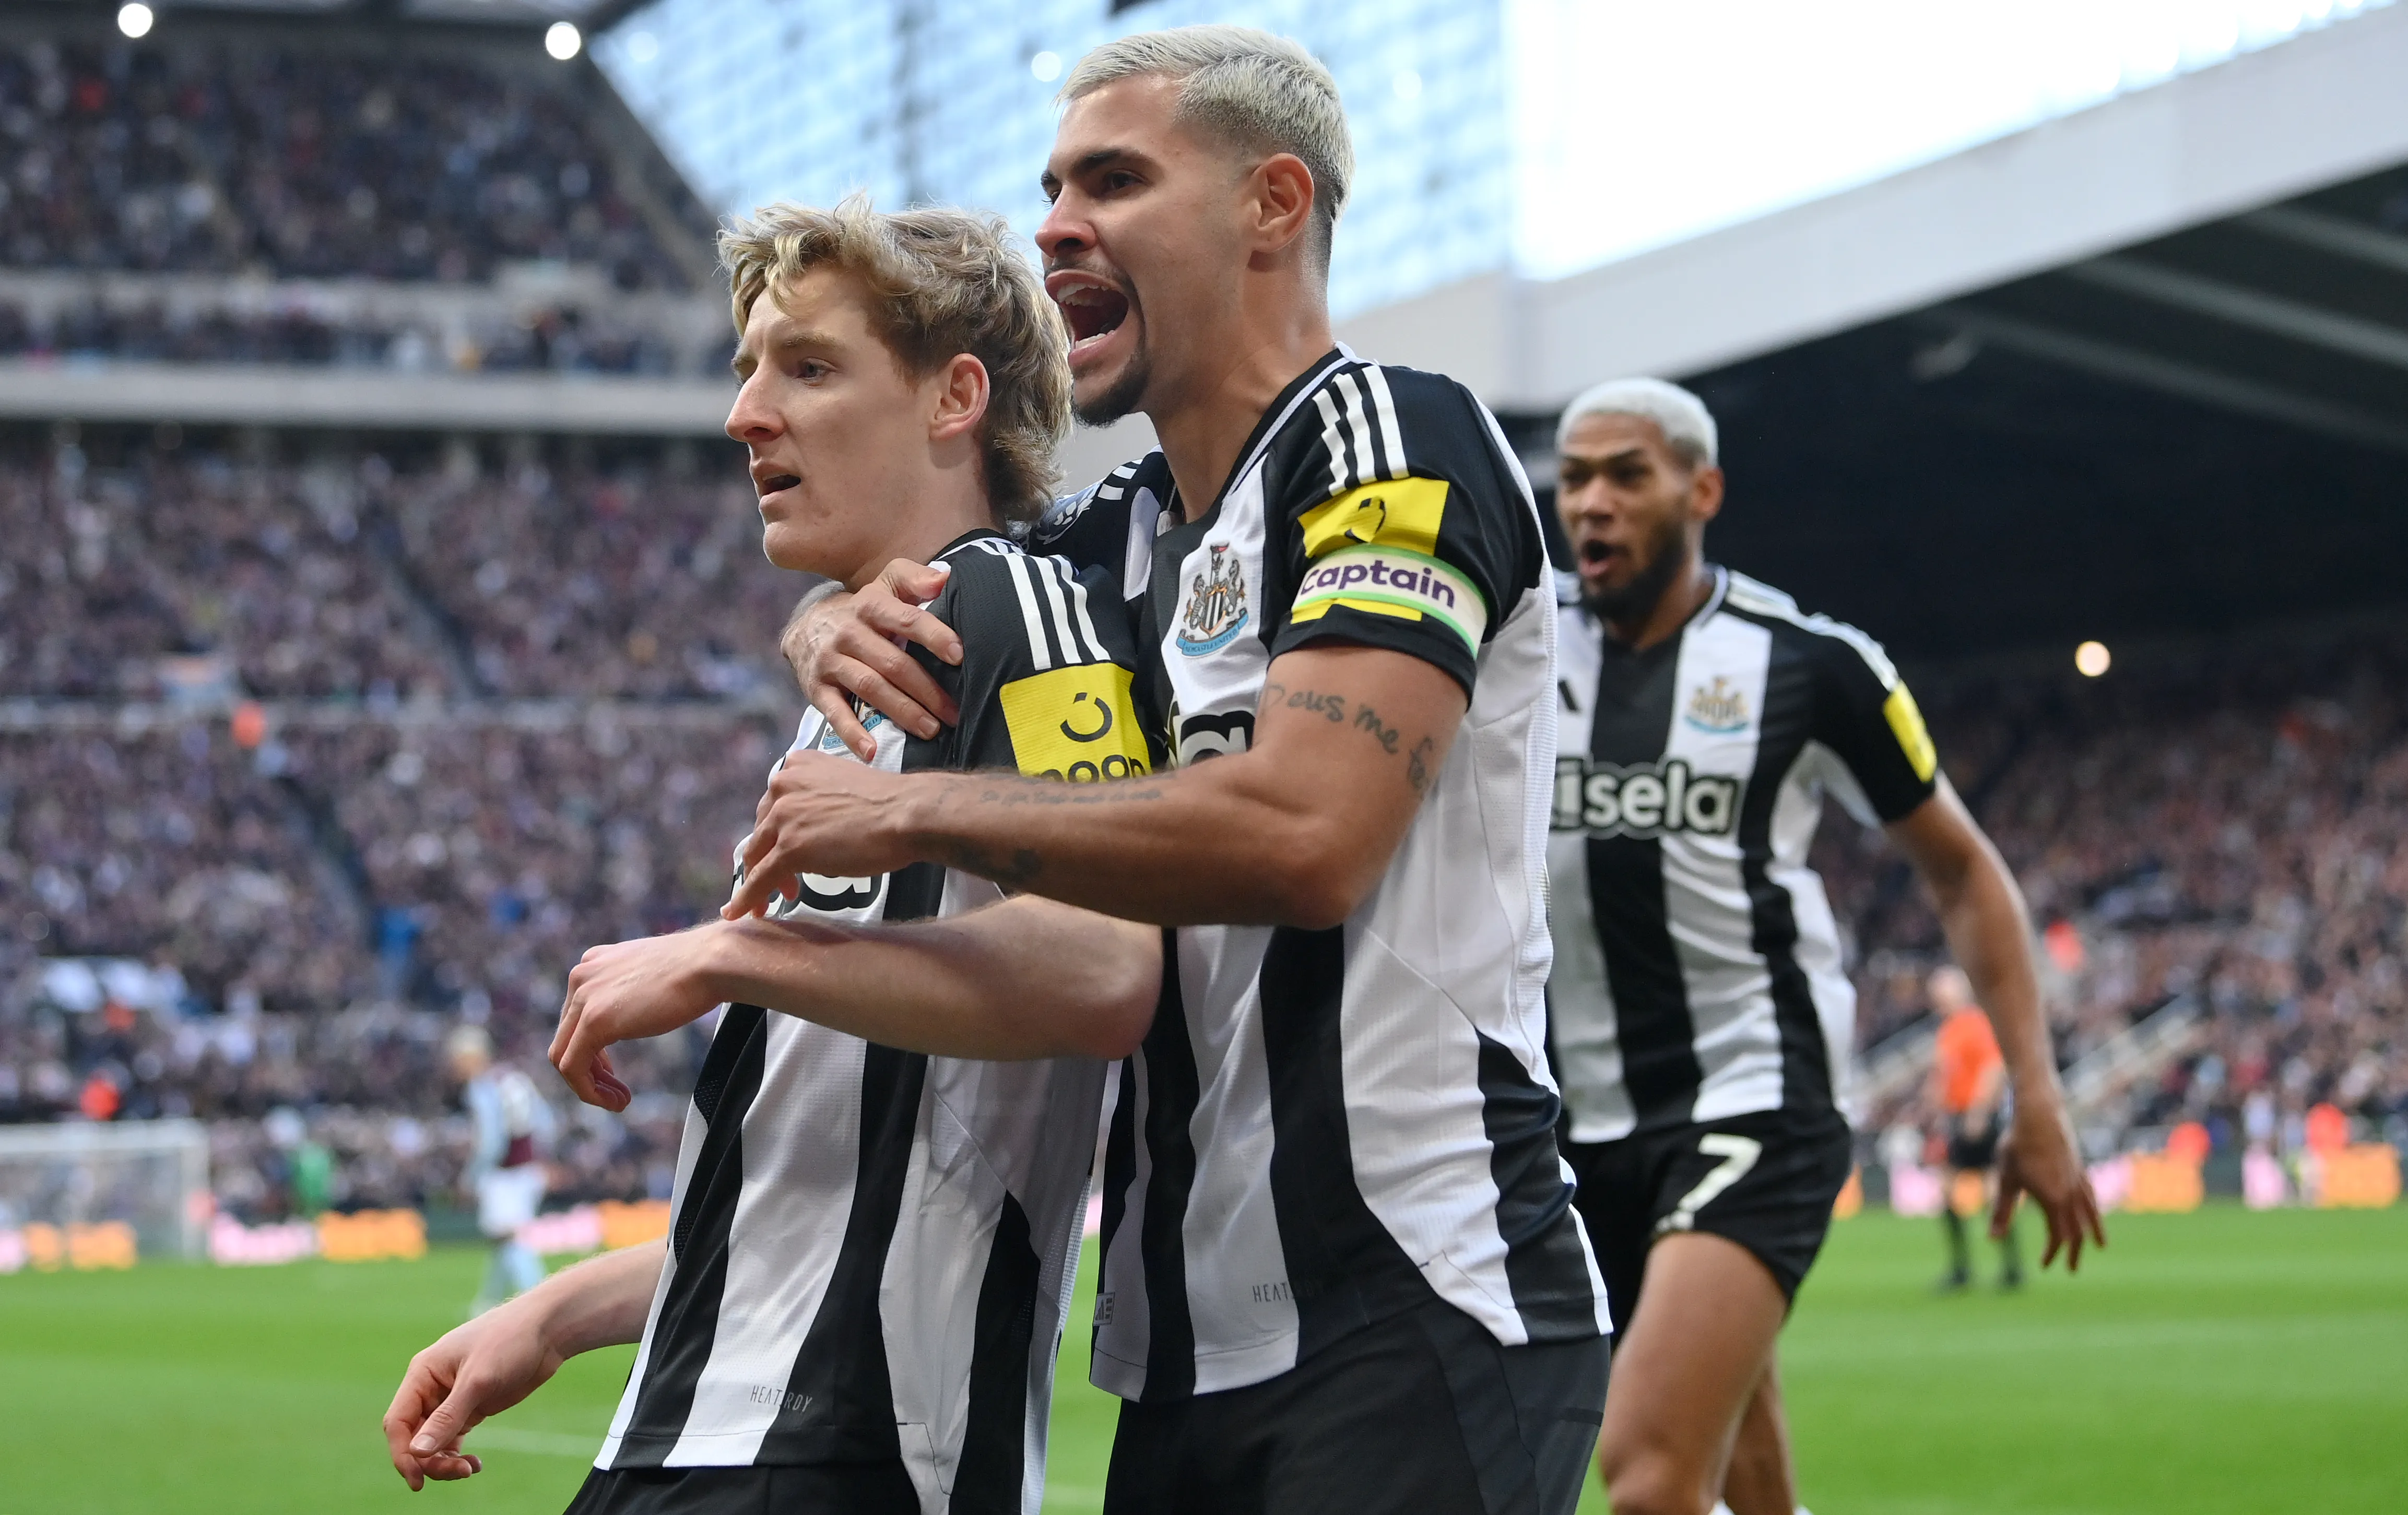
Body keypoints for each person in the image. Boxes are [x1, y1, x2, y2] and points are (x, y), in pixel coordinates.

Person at [556, 26, 1610, 1515]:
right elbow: (947, 558)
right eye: (1052, 185)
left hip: (1419, 1286)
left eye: (1114, 180)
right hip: (1180, 1348)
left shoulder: (1389, 437)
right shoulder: (1118, 545)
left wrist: (905, 805)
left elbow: (1309, 832)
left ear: (1273, 205)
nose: (1058, 222)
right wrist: (819, 613)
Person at [382, 198, 1160, 1514]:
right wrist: (562, 1311)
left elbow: (1102, 967)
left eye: (805, 366)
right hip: (696, 1433)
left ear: (952, 396)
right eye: (747, 368)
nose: (745, 413)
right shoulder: (860, 674)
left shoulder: (1018, 610)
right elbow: (826, 1177)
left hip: (848, 1447)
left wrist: (740, 946)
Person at [1540, 376, 2106, 1515]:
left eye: (1625, 475)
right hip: (1567, 1121)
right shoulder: (1511, 645)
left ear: (1701, 491)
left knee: (1649, 1473)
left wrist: (2036, 1099)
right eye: (1574, 477)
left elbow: (1962, 869)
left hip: (1752, 1095)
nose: (1591, 503)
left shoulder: (1811, 662)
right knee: (1747, 1480)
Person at [450, 1024, 556, 1317]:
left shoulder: (482, 1086)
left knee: (510, 1239)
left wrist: (471, 1177)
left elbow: (491, 1141)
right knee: (503, 1240)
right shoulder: (514, 1077)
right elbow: (546, 1121)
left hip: (504, 1175)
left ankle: (539, 1303)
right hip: (528, 1170)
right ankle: (488, 1303)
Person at [1929, 964, 2022, 1291]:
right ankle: (1973, 1269)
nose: (1936, 1001)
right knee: (1956, 1192)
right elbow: (1946, 1075)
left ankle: (2000, 1269)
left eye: (1941, 994)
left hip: (1975, 1116)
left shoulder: (1974, 1025)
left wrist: (1980, 1110)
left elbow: (1994, 1066)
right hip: (1958, 1115)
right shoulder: (1951, 1028)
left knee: (1988, 1190)